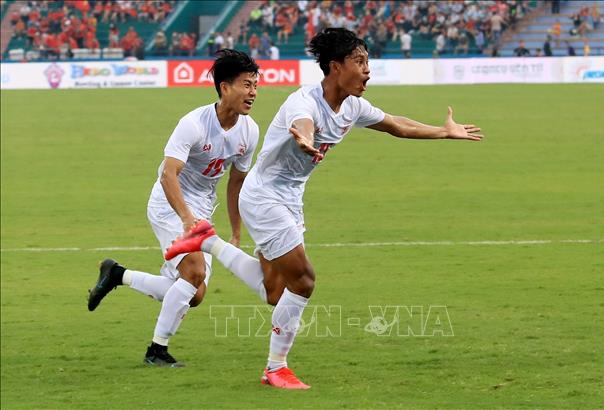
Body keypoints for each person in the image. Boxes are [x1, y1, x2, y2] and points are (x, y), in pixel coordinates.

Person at [164, 28, 483, 389]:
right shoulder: (304, 103)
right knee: (304, 280)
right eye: (359, 62)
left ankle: (208, 242)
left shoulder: (353, 106)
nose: (367, 70)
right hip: (265, 195)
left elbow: (396, 125)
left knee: (275, 292)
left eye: (368, 62)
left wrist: (442, 131)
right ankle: (275, 368)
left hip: (289, 198)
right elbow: (303, 126)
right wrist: (304, 138)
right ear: (335, 67)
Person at [87, 50, 261, 367]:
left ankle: (117, 275)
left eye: (255, 85)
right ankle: (157, 350)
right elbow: (168, 175)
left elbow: (236, 182)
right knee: (194, 273)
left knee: (193, 294)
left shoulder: (249, 131)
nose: (253, 92)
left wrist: (236, 230)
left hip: (202, 208)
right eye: (246, 85)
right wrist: (186, 219)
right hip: (171, 203)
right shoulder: (193, 123)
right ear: (225, 88)